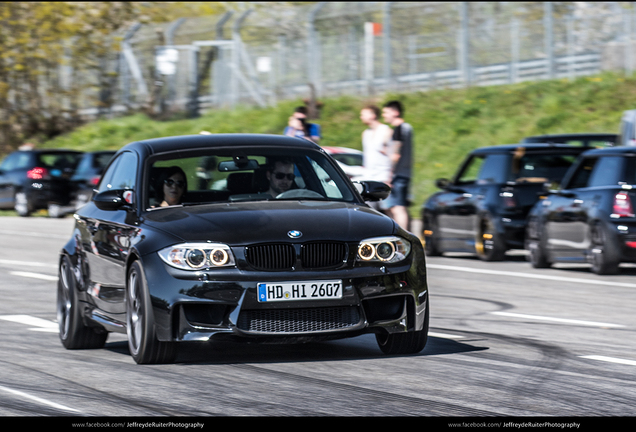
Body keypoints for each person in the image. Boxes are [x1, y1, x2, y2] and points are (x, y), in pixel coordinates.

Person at [381, 100, 413, 230]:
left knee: (398, 208)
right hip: (404, 173)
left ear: (395, 112)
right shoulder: (406, 128)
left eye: (386, 112)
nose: (384, 115)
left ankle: (403, 239)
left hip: (397, 175)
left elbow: (396, 155)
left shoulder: (399, 129)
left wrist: (389, 177)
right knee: (394, 207)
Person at [360, 105, 393, 211]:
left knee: (389, 210)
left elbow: (392, 155)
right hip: (369, 178)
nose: (361, 117)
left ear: (373, 115)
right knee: (371, 211)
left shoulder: (386, 131)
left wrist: (390, 177)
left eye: (363, 114)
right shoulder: (365, 133)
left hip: (384, 177)